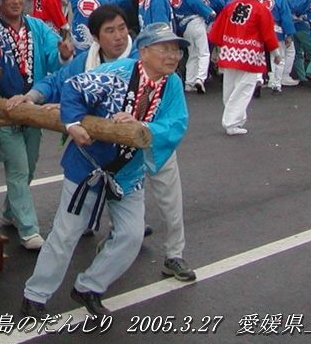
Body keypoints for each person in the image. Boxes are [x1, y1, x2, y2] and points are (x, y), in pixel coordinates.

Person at [20, 23, 189, 317]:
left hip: (128, 171)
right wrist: (73, 124)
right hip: (88, 166)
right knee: (66, 233)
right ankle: (35, 295)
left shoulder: (171, 84)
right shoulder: (116, 73)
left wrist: (143, 127)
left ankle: (89, 286)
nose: (173, 56)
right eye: (165, 49)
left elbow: (177, 122)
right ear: (144, 51)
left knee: (131, 236)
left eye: (176, 50)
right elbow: (73, 87)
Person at [0, 0, 72, 250]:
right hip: (2, 107)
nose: (15, 1)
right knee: (18, 167)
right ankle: (29, 230)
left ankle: (11, 211)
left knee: (30, 165)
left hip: (31, 105)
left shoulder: (37, 26)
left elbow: (54, 56)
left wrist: (63, 54)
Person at [209, 0, 280, 136]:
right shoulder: (260, 9)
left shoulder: (230, 6)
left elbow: (217, 29)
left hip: (229, 50)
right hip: (250, 53)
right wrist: (276, 52)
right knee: (244, 88)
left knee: (230, 86)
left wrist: (217, 48)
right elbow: (268, 34)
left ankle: (236, 119)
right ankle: (232, 122)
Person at [170, 0, 215, 93]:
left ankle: (189, 82)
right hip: (195, 22)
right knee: (204, 53)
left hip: (184, 26)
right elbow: (197, 4)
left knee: (193, 54)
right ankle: (200, 78)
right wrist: (210, 13)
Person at [257, 0, 297, 92]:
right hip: (276, 30)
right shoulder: (281, 0)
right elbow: (286, 18)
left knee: (259, 56)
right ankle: (276, 83)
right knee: (279, 57)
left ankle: (260, 79)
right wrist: (289, 34)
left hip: (259, 30)